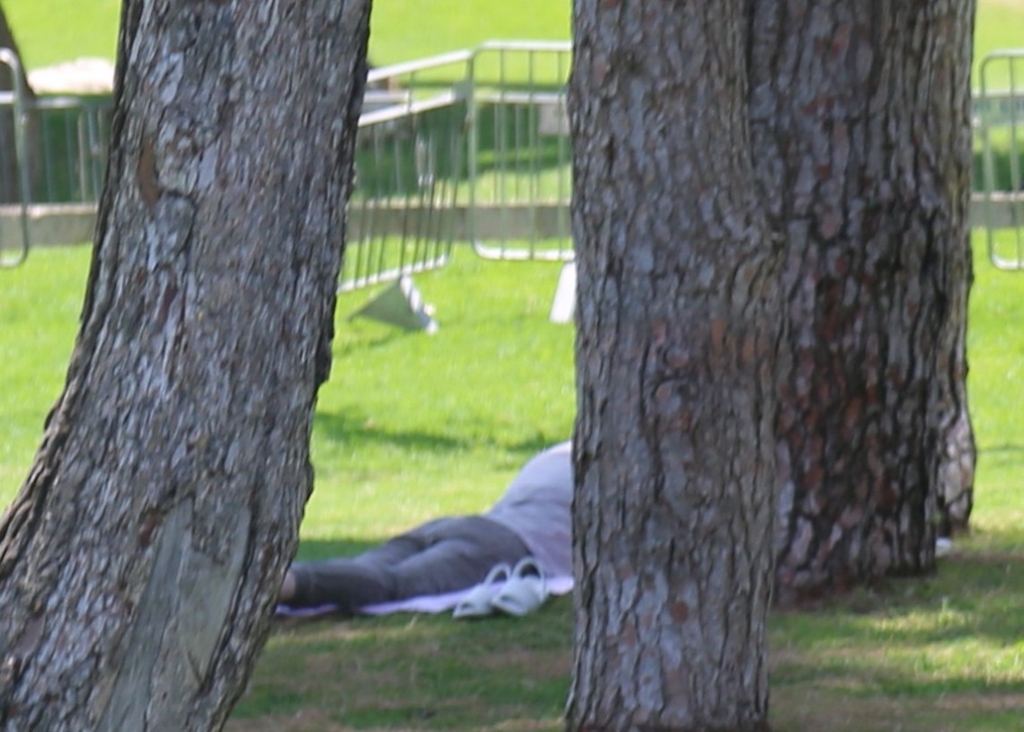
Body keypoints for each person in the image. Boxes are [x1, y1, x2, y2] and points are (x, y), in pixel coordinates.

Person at [278, 441, 572, 615]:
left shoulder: (559, 455)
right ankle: (280, 585)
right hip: (503, 546)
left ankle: (277, 583)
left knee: (364, 569)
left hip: (461, 525)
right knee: (390, 585)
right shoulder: (602, 468)